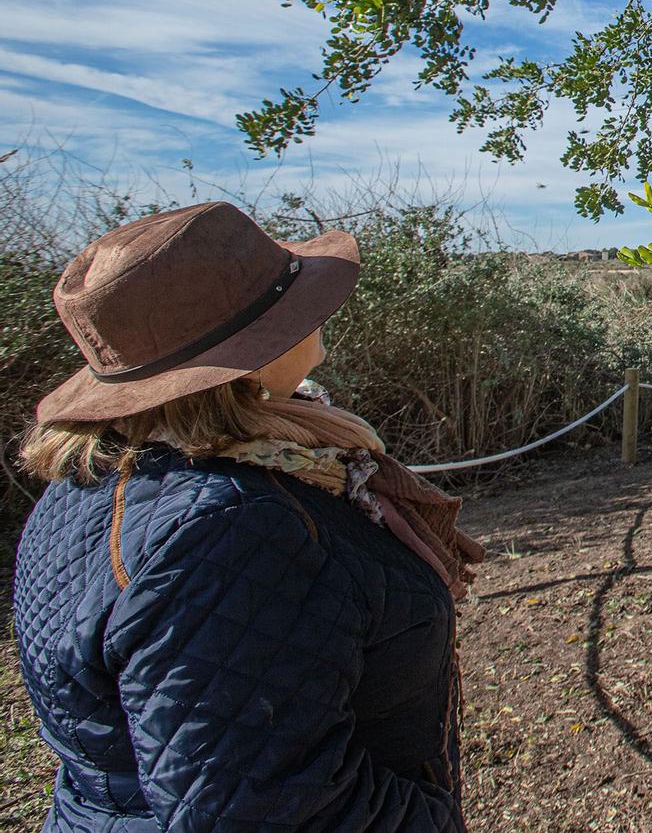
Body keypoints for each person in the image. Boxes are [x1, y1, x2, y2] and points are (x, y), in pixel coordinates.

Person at [12, 201, 484, 831]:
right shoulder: (229, 528)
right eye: (294, 300)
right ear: (251, 355)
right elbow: (270, 808)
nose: (320, 311)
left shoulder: (96, 481)